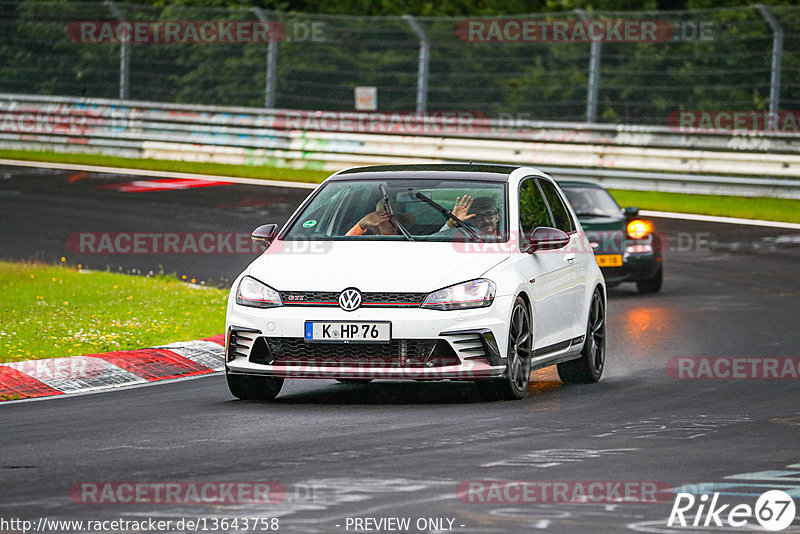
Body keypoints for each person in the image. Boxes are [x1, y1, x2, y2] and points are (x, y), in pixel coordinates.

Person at [345, 200, 415, 236]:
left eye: (392, 218)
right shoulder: (368, 242)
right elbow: (344, 245)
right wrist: (362, 224)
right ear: (374, 225)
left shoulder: (411, 238)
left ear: (400, 221)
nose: (388, 223)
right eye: (382, 219)